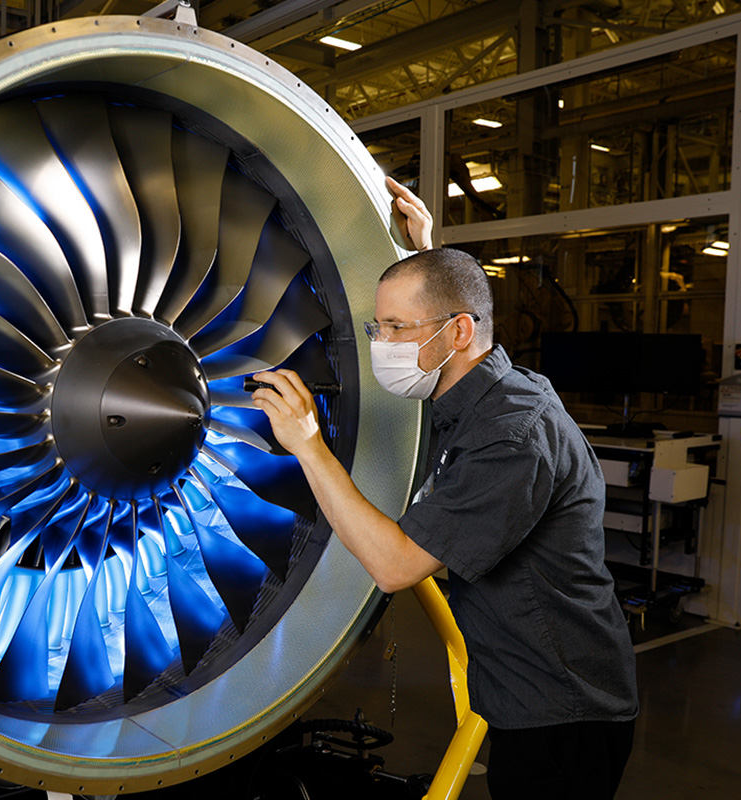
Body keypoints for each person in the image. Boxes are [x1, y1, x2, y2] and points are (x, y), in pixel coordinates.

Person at [250, 247, 637, 799]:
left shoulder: (511, 434)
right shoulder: (476, 398)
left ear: (458, 333)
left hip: (561, 707)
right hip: (520, 691)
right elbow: (454, 295)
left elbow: (394, 565)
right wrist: (418, 251)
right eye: (377, 326)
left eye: (395, 327)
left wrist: (310, 447)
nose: (380, 344)